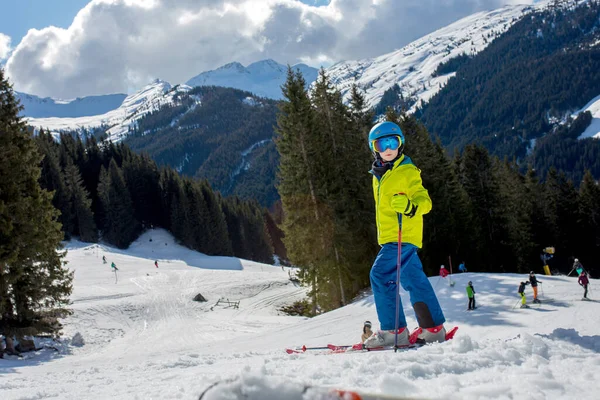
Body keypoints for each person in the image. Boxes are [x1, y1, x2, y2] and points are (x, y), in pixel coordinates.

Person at [363, 121, 446, 349]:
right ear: (375, 148)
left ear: (400, 144)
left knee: (380, 275)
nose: (388, 148)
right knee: (413, 279)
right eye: (382, 144)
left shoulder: (407, 170)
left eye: (393, 142)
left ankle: (393, 331)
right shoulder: (378, 174)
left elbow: (425, 201)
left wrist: (410, 206)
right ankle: (433, 328)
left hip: (402, 235)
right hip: (392, 236)